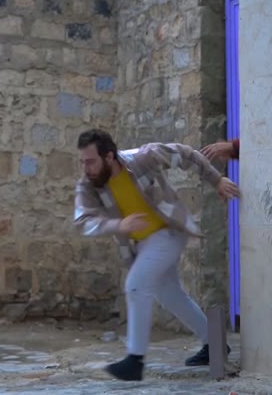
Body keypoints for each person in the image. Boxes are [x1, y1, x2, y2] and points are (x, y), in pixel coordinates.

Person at [73, 129, 240, 381]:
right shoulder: (88, 184)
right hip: (143, 244)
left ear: (109, 157)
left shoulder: (144, 158)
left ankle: (135, 360)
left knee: (136, 285)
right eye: (82, 162)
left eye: (90, 162)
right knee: (169, 295)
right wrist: (118, 225)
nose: (86, 169)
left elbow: (185, 154)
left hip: (169, 230)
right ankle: (214, 344)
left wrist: (216, 180)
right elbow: (82, 221)